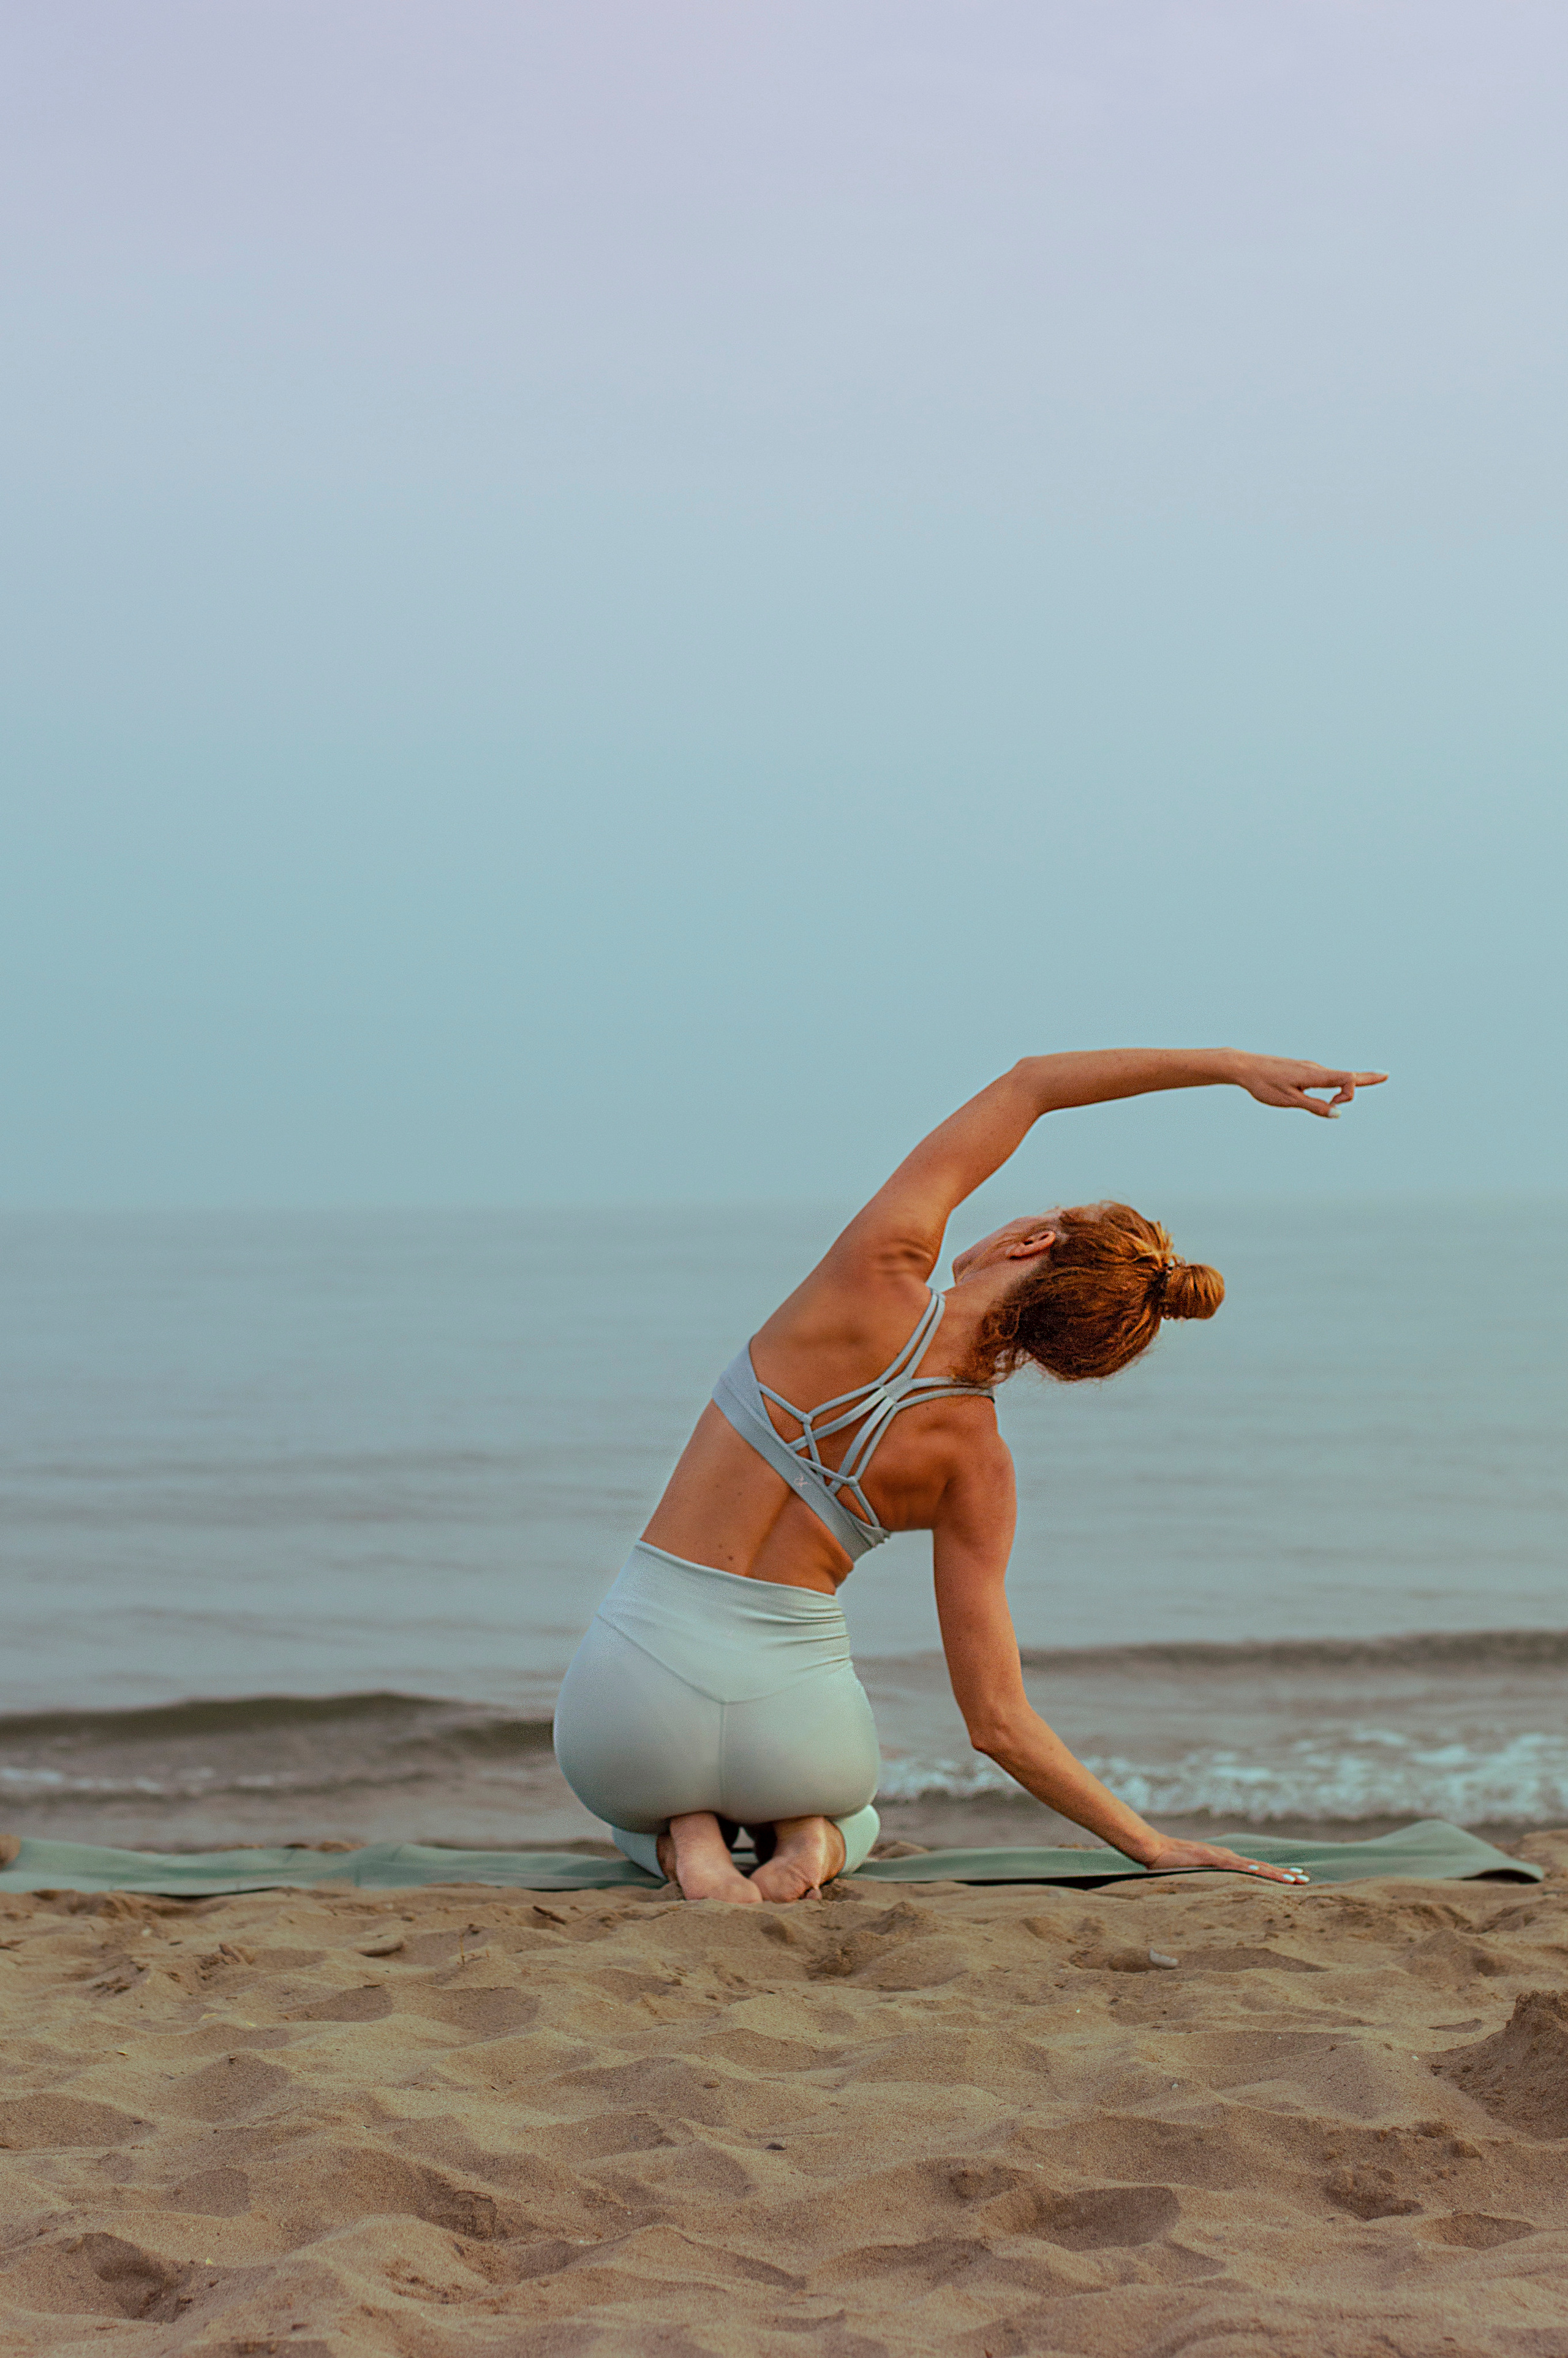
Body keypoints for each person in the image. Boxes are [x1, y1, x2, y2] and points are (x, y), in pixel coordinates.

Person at [554, 1045, 1385, 1904]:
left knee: (637, 1805)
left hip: (631, 1694)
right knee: (858, 1819)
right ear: (1064, 1354)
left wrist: (1232, 1067)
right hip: (796, 1731)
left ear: (1032, 1240)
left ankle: (686, 1839)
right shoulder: (978, 1466)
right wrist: (1150, 1842)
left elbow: (1032, 1084)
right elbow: (998, 1723)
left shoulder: (872, 1271)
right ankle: (812, 1839)